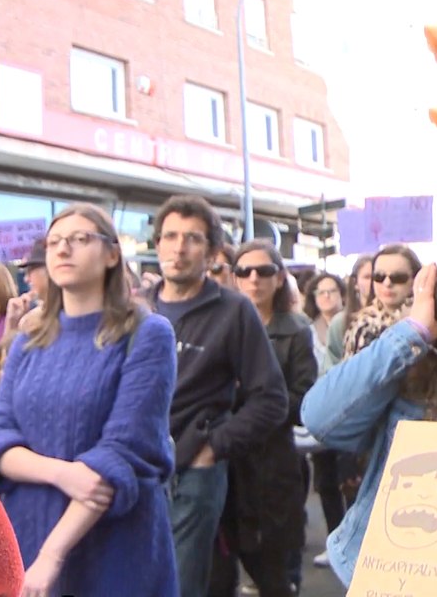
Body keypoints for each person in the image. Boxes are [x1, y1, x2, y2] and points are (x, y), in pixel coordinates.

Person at [0, 203, 178, 597]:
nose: (62, 249)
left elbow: (123, 451)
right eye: (54, 242)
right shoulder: (28, 340)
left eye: (79, 238)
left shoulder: (148, 333)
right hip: (28, 534)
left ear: (111, 254)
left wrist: (53, 555)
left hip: (112, 546)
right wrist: (62, 473)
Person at [148, 195, 288, 597]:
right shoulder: (137, 310)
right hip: (137, 469)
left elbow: (271, 398)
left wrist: (213, 447)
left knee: (182, 585)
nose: (179, 247)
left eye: (192, 238)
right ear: (157, 245)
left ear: (211, 253)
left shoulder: (234, 311)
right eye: (170, 236)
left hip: (193, 474)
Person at [302, 253, 437, 587]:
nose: (386, 283)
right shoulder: (415, 360)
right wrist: (413, 332)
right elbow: (320, 417)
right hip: (396, 576)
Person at [208, 242, 316, 597]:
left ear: (280, 277)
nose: (254, 279)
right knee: (217, 576)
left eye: (264, 271)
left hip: (273, 464)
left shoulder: (296, 330)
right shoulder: (217, 326)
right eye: (244, 271)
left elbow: (303, 400)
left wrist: (257, 401)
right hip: (222, 462)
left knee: (275, 574)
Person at [301, 271, 348, 563]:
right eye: (321, 292)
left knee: (352, 480)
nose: (327, 296)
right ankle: (334, 541)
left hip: (349, 413)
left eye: (332, 291)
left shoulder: (352, 323)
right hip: (319, 414)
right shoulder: (306, 330)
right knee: (327, 482)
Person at [342, 244, 422, 359]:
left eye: (398, 277)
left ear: (415, 279)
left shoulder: (430, 322)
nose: (387, 283)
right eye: (379, 276)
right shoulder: (363, 326)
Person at [325, 255, 373, 365]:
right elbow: (331, 365)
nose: (372, 282)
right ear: (355, 283)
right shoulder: (340, 322)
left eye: (376, 277)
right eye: (367, 277)